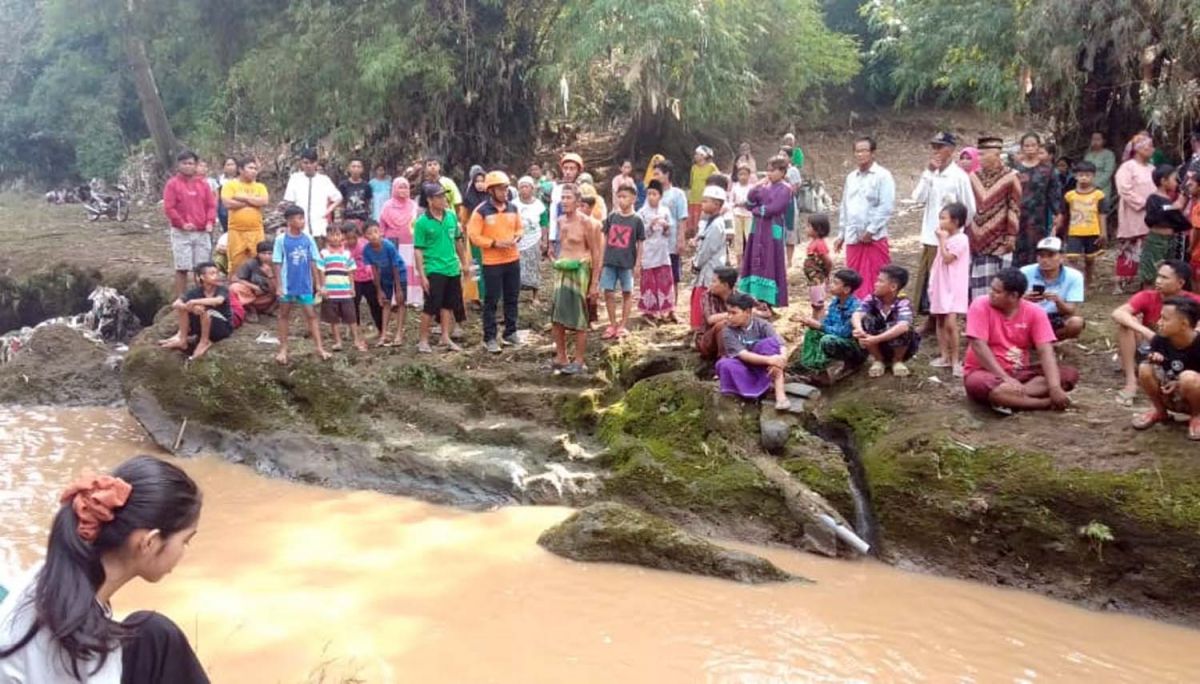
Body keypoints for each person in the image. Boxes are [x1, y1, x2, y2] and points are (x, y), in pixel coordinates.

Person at [0, 456, 207, 683]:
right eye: (185, 541)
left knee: (154, 632)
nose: (183, 551)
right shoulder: (82, 658)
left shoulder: (53, 572)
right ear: (150, 542)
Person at [962, 268, 1079, 412]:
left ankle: (1011, 397)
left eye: (997, 291)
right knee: (978, 383)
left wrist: (1054, 387)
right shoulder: (980, 304)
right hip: (985, 372)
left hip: (1020, 373)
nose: (991, 293)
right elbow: (978, 345)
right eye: (991, 289)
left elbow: (1045, 351)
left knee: (1068, 374)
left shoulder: (1035, 312)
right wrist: (1004, 377)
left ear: (1013, 296)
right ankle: (1043, 404)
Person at [1112, 260, 1200, 404]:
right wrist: (1146, 332)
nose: (1158, 281)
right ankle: (1131, 382)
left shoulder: (1194, 301)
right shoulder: (1147, 296)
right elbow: (1118, 313)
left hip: (1181, 350)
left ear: (1180, 282)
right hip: (1152, 346)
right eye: (1158, 276)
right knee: (1125, 326)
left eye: (1165, 278)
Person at [911, 132, 976, 315]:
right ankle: (928, 317)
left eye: (941, 147)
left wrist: (956, 232)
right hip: (930, 236)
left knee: (943, 282)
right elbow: (918, 198)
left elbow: (969, 209)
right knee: (929, 280)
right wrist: (928, 173)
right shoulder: (931, 174)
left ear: (951, 149)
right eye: (934, 147)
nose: (936, 151)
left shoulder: (959, 177)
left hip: (949, 239)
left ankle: (938, 318)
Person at [468, 171, 524, 353]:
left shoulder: (513, 208)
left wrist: (517, 237)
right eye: (501, 188)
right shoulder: (481, 211)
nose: (505, 192)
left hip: (512, 259)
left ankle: (511, 332)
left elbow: (519, 228)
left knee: (512, 297)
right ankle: (490, 337)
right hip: (492, 262)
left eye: (506, 188)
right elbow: (474, 235)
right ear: (491, 190)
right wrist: (494, 243)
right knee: (491, 300)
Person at [550, 184, 603, 374]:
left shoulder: (587, 223)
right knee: (556, 317)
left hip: (579, 271)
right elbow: (561, 246)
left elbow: (596, 252)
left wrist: (594, 283)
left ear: (578, 201)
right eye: (562, 198)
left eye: (568, 198)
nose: (565, 201)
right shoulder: (560, 221)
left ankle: (579, 360)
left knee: (580, 317)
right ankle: (561, 356)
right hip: (562, 270)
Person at [414, 183, 471, 353]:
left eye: (444, 196)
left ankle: (445, 337)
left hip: (452, 267)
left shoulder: (451, 216)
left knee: (448, 304)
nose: (443, 200)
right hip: (434, 267)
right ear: (430, 200)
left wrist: (464, 263)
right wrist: (422, 275)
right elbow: (418, 250)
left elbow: (458, 240)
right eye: (438, 197)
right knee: (431, 305)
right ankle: (423, 340)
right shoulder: (422, 222)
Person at [836, 136, 896, 298]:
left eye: (864, 151)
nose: (860, 155)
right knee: (853, 278)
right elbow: (845, 206)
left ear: (873, 153)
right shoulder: (851, 177)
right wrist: (841, 234)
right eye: (857, 151)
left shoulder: (882, 176)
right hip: (853, 237)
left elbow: (886, 207)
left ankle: (878, 314)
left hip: (874, 238)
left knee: (878, 278)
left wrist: (870, 230)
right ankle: (856, 314)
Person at [1134, 297, 1200, 440]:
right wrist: (1154, 359)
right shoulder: (1160, 340)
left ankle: (1197, 416)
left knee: (1188, 377)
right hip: (1172, 394)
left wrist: (1178, 382)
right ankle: (1160, 411)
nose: (1159, 322)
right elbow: (1151, 364)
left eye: (1165, 319)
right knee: (1145, 368)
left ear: (1184, 324)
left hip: (1194, 392)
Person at [967, 136, 1022, 302]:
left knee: (998, 282)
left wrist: (1011, 235)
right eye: (979, 154)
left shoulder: (1011, 176)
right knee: (978, 283)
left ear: (996, 155)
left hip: (999, 238)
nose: (979, 158)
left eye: (983, 154)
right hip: (975, 237)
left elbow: (1014, 207)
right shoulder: (973, 177)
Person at [716, 292, 792, 410]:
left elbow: (780, 344)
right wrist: (771, 359)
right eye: (728, 313)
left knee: (769, 344)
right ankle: (752, 392)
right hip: (744, 366)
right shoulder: (727, 331)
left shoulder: (763, 325)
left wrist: (781, 358)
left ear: (747, 312)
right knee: (724, 364)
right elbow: (743, 355)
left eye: (734, 313)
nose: (729, 317)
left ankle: (780, 393)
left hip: (765, 367)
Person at [272, 206, 329, 364]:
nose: (302, 222)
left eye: (303, 218)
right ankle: (283, 349)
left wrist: (318, 283)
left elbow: (313, 261)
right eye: (298, 218)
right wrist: (279, 285)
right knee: (284, 314)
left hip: (304, 283)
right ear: (289, 221)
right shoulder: (281, 240)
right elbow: (277, 262)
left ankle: (319, 347)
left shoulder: (308, 238)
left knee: (311, 315)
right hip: (288, 283)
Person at [738, 156, 792, 309]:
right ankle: (755, 298)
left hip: (772, 228)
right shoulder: (763, 186)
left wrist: (756, 210)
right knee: (755, 258)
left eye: (773, 170)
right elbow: (749, 202)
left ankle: (768, 300)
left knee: (770, 259)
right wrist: (755, 188)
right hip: (758, 229)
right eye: (768, 170)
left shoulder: (786, 188)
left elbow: (775, 208)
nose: (769, 173)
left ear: (782, 171)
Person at [163, 150, 217, 299]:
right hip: (182, 232)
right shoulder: (172, 184)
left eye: (191, 163)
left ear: (196, 165)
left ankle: (203, 297)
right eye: (184, 163)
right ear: (178, 165)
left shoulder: (203, 184)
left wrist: (210, 221)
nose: (188, 166)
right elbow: (169, 207)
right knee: (182, 267)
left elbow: (211, 205)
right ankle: (182, 299)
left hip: (202, 231)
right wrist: (182, 223)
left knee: (202, 268)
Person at [793, 268, 866, 379]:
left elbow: (845, 333)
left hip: (854, 347)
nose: (831, 285)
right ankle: (819, 371)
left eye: (835, 283)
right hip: (839, 339)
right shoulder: (835, 303)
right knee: (812, 333)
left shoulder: (855, 307)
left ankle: (851, 363)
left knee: (827, 340)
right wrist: (813, 322)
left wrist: (819, 326)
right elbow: (827, 323)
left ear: (846, 289)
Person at [852, 265, 919, 378]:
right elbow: (857, 313)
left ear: (893, 287)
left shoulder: (903, 302)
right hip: (876, 343)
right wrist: (859, 329)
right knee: (866, 320)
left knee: (904, 328)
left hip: (898, 345)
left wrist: (876, 339)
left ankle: (898, 360)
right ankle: (878, 359)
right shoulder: (873, 298)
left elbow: (903, 326)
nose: (875, 284)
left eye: (880, 281)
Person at [157, 261, 234, 361]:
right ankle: (182, 339)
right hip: (201, 325)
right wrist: (190, 307)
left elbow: (218, 300)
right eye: (212, 274)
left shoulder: (221, 289)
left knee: (204, 310)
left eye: (216, 273)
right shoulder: (196, 291)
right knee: (184, 308)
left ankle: (204, 341)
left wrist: (194, 302)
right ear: (202, 277)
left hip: (221, 327)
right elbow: (176, 304)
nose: (216, 276)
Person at [929, 202, 971, 376]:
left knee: (951, 323)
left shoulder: (961, 239)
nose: (940, 221)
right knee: (940, 319)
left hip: (953, 286)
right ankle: (944, 356)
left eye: (943, 218)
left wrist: (942, 240)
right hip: (940, 283)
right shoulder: (946, 237)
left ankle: (955, 360)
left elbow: (947, 258)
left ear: (956, 221)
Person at [1011, 132, 1064, 268]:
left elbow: (1054, 194)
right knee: (1017, 249)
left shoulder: (1048, 170)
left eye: (1033, 145)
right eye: (1026, 145)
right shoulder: (1014, 170)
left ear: (1038, 147)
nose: (1030, 148)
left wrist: (1058, 214)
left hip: (1038, 218)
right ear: (1022, 148)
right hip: (1016, 216)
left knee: (1036, 248)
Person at [599, 184, 646, 339]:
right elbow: (605, 239)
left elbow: (641, 243)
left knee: (627, 292)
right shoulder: (612, 217)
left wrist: (638, 263)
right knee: (608, 291)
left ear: (633, 199)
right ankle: (612, 324)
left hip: (627, 262)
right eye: (619, 197)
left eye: (624, 196)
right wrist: (601, 260)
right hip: (610, 261)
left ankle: (623, 325)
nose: (621, 200)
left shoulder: (637, 220)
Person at [1018, 236, 1086, 342]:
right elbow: (1009, 303)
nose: (1045, 260)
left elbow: (1070, 310)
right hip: (1028, 316)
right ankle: (1038, 341)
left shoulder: (1074, 276)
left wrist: (1058, 301)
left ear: (1062, 257)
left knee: (1076, 323)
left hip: (1054, 318)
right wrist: (1023, 299)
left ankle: (1047, 340)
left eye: (1051, 255)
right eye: (1041, 256)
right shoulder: (1024, 272)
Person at [1114, 133, 1156, 292]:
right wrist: (1143, 203)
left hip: (1151, 213)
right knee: (1129, 245)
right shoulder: (1127, 167)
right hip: (1133, 211)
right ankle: (1121, 282)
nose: (1152, 149)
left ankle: (1144, 280)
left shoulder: (1152, 168)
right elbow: (1124, 189)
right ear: (1138, 149)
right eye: (1149, 146)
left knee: (1147, 246)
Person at [1141, 165, 1192, 287]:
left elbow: (1177, 216)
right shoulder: (1153, 198)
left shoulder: (1168, 200)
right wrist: (1174, 207)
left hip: (1170, 240)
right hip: (1156, 240)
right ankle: (1147, 299)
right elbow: (1155, 216)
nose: (1176, 183)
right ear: (1164, 181)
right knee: (1151, 271)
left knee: (1168, 269)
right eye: (1174, 179)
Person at [379, 177, 423, 311]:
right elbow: (382, 226)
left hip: (411, 243)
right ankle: (394, 299)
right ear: (394, 189)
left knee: (411, 271)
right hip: (393, 243)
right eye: (400, 187)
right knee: (395, 270)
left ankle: (413, 298)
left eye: (405, 187)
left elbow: (418, 225)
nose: (403, 190)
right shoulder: (387, 206)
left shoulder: (413, 205)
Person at [319, 225, 366, 352]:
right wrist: (323, 287)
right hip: (330, 292)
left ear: (342, 237)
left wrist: (352, 287)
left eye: (338, 234)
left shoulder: (346, 254)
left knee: (351, 317)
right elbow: (321, 271)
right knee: (333, 319)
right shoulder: (324, 254)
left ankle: (356, 340)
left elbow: (351, 271)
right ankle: (338, 341)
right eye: (332, 235)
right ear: (327, 237)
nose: (335, 238)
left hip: (345, 291)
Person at [220, 157, 269, 276]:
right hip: (237, 231)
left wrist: (243, 198)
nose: (254, 171)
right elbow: (227, 203)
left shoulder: (260, 187)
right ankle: (235, 290)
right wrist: (252, 202)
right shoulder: (230, 185)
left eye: (255, 169)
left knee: (258, 261)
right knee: (236, 262)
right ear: (241, 170)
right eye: (250, 168)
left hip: (256, 230)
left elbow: (264, 201)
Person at [361, 220, 407, 348]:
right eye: (370, 233)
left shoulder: (388, 246)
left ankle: (399, 334)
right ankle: (384, 334)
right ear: (365, 236)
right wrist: (378, 289)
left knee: (400, 302)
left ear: (380, 232)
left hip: (399, 273)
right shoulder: (367, 250)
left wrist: (398, 288)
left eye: (376, 231)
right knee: (385, 303)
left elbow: (395, 266)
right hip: (384, 276)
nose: (374, 235)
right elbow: (374, 270)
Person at [637, 180, 678, 324]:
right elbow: (641, 234)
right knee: (649, 282)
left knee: (665, 280)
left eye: (654, 194)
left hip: (662, 250)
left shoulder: (665, 211)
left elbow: (669, 232)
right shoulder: (641, 212)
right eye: (649, 194)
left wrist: (666, 227)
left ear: (660, 196)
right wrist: (650, 224)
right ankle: (649, 311)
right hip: (648, 251)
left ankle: (667, 309)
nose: (651, 197)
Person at [1062, 160, 1107, 290]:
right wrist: (1058, 228)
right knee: (1072, 258)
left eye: (1087, 175)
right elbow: (1064, 214)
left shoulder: (1098, 195)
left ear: (1093, 176)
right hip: (1074, 231)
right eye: (1081, 175)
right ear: (1076, 176)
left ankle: (1088, 281)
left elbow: (1102, 213)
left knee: (1090, 259)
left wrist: (1103, 232)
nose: (1084, 178)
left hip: (1093, 231)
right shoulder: (1069, 195)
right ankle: (1076, 280)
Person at [283, 149, 342, 245]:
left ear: (316, 163)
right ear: (301, 163)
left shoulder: (324, 180)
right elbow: (289, 202)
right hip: (300, 228)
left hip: (319, 227)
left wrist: (327, 211)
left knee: (318, 256)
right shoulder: (295, 179)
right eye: (305, 163)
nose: (308, 166)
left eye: (312, 163)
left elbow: (338, 198)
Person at [689, 185, 728, 331]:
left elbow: (707, 250)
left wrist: (697, 264)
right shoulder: (709, 222)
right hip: (705, 267)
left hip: (709, 267)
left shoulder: (717, 225)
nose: (702, 204)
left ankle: (701, 329)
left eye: (706, 201)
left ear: (717, 204)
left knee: (704, 297)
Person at [653, 159, 690, 307]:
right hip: (656, 240)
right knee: (657, 271)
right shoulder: (654, 194)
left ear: (667, 174)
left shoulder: (677, 194)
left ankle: (672, 305)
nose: (654, 177)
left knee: (673, 274)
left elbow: (682, 218)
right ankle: (658, 303)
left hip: (671, 239)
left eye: (657, 174)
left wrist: (681, 239)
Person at [696, 267, 740, 361]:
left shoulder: (739, 296)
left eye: (714, 281)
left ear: (725, 285)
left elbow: (763, 312)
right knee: (724, 325)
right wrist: (735, 313)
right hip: (708, 341)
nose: (710, 285)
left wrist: (759, 312)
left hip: (735, 340)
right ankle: (724, 361)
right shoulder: (707, 296)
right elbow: (711, 319)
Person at [515, 176, 547, 306]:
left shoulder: (539, 205)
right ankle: (516, 295)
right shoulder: (513, 204)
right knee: (517, 268)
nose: (524, 189)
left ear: (532, 189)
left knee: (534, 267)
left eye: (526, 186)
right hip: (518, 241)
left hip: (534, 239)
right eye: (521, 187)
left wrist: (544, 240)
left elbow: (544, 223)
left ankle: (535, 295)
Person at [229, 240, 278, 322]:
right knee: (234, 287)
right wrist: (253, 287)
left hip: (269, 296)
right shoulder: (251, 264)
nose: (267, 256)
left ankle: (271, 309)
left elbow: (278, 289)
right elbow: (235, 278)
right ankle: (251, 310)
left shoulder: (278, 265)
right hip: (251, 295)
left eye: (270, 253)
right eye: (263, 253)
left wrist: (270, 275)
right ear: (258, 254)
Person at [347, 223, 383, 336]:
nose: (351, 241)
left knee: (375, 304)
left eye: (354, 238)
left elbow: (373, 259)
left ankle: (381, 329)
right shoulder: (343, 249)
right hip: (354, 280)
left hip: (368, 278)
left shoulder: (365, 245)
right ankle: (355, 330)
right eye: (348, 238)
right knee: (353, 305)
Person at [549, 153, 585, 257]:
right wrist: (551, 241)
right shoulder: (557, 190)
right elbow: (553, 216)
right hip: (561, 234)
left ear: (578, 170)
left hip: (579, 236)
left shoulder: (584, 189)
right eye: (565, 168)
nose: (568, 172)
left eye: (572, 168)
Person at [1084, 132, 1117, 237]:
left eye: (1098, 139)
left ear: (1103, 141)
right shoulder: (1088, 155)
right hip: (1086, 187)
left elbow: (1109, 172)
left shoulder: (1108, 154)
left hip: (1103, 188)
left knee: (1101, 212)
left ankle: (1102, 236)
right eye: (1093, 139)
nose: (1095, 142)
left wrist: (1096, 185)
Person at [802, 214, 834, 318]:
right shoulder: (813, 243)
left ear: (818, 229)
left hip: (818, 279)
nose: (805, 228)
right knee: (815, 303)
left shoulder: (819, 244)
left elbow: (827, 261)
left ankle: (819, 323)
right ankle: (815, 321)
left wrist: (827, 272)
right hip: (813, 279)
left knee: (818, 304)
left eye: (808, 226)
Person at [688, 146, 719, 238]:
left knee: (702, 222)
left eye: (697, 154)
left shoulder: (711, 167)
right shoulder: (694, 168)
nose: (695, 156)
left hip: (705, 199)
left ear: (703, 156)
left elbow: (718, 178)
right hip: (694, 198)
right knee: (692, 221)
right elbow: (691, 182)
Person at [337, 158, 373, 231]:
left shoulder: (366, 186)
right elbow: (340, 204)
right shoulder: (343, 185)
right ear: (349, 169)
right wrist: (341, 221)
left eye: (358, 166)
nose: (356, 169)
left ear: (362, 169)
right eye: (353, 166)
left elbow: (368, 203)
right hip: (347, 221)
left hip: (362, 221)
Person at [729, 165, 754, 266]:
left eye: (745, 174)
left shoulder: (752, 188)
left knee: (749, 237)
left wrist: (747, 204)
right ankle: (739, 263)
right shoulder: (735, 187)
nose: (743, 177)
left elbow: (754, 201)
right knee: (738, 239)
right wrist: (736, 205)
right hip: (737, 214)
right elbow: (730, 201)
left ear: (749, 175)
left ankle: (750, 261)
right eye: (740, 174)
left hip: (749, 215)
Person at [216, 156, 238, 232]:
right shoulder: (219, 180)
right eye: (228, 165)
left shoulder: (241, 180)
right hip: (223, 212)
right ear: (224, 167)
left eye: (232, 164)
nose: (231, 167)